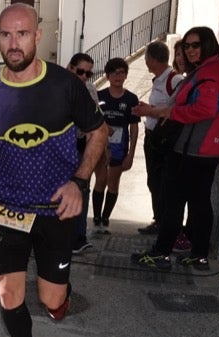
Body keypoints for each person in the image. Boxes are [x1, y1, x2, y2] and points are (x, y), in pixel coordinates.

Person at [0, 3, 107, 337]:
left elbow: (99, 133)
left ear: (37, 36)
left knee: (51, 300)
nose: (14, 43)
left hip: (56, 207)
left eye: (22, 34)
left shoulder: (65, 86)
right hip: (8, 206)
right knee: (9, 293)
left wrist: (79, 182)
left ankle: (58, 293)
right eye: (6, 35)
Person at [131, 26, 219, 271]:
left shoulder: (210, 73)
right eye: (186, 46)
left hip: (196, 149)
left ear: (208, 45)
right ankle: (198, 255)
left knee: (174, 202)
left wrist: (167, 112)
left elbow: (206, 109)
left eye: (195, 45)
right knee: (199, 203)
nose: (189, 50)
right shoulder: (211, 69)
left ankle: (161, 253)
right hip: (205, 149)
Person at [138, 41, 184, 236]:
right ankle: (159, 219)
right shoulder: (159, 79)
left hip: (164, 142)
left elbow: (176, 110)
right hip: (152, 138)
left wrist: (149, 111)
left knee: (162, 182)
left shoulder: (174, 80)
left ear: (152, 59)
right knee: (153, 181)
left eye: (147, 59)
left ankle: (165, 223)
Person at [90, 57, 140, 234]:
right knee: (100, 180)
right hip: (100, 146)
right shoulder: (100, 96)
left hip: (120, 148)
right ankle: (96, 218)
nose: (118, 76)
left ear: (126, 75)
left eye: (121, 73)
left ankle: (106, 218)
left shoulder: (132, 99)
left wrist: (131, 154)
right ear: (108, 75)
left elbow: (134, 127)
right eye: (114, 73)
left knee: (113, 183)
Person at [66, 53, 98, 254]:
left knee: (81, 191)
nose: (85, 77)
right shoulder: (56, 86)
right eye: (81, 72)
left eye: (89, 73)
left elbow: (96, 123)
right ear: (70, 68)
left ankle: (79, 236)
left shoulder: (90, 90)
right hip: (57, 148)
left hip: (79, 148)